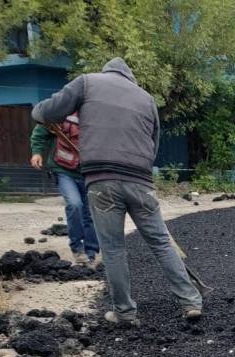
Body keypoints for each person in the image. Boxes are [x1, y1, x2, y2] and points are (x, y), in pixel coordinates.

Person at [31, 58, 203, 325]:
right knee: (160, 242)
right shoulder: (146, 99)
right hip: (141, 181)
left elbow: (45, 113)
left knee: (113, 248)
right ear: (130, 77)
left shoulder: (86, 83)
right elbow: (153, 144)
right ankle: (191, 301)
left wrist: (39, 112)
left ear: (107, 72)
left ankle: (124, 312)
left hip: (102, 180)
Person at [29, 117, 100, 267]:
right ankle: (77, 248)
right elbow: (41, 131)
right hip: (63, 169)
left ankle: (91, 252)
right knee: (75, 204)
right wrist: (37, 152)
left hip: (89, 172)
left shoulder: (97, 113)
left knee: (91, 213)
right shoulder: (63, 112)